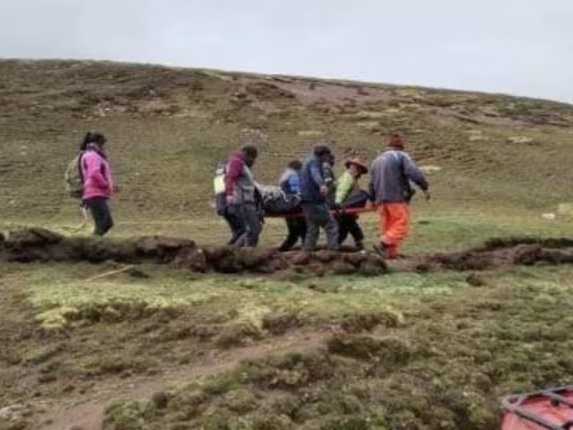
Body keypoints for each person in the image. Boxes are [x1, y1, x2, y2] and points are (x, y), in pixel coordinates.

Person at [369, 133, 430, 259]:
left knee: (388, 226)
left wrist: (373, 199)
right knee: (402, 223)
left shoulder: (376, 160)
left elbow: (372, 182)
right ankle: (382, 243)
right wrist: (424, 186)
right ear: (401, 147)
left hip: (381, 199)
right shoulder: (401, 155)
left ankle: (390, 253)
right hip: (396, 196)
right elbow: (413, 172)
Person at [300, 145, 339, 251]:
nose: (328, 159)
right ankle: (333, 252)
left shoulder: (307, 160)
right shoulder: (314, 162)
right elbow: (315, 174)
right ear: (324, 154)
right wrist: (321, 185)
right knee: (331, 225)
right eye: (327, 156)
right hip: (314, 200)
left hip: (305, 200)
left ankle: (306, 253)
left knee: (313, 228)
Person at [224, 144, 262, 247]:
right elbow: (229, 178)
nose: (253, 161)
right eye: (252, 158)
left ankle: (236, 252)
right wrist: (229, 194)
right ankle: (246, 253)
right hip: (243, 200)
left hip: (246, 200)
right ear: (246, 154)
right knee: (254, 229)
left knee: (251, 229)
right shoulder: (237, 162)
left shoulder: (238, 162)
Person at [80, 132, 116, 236]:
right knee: (105, 223)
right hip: (94, 193)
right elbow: (94, 173)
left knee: (104, 223)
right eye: (102, 144)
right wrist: (105, 184)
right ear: (98, 143)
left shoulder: (91, 154)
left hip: (95, 193)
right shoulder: (92, 155)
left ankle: (94, 244)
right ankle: (92, 245)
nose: (103, 147)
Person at [334, 157, 369, 251]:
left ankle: (359, 244)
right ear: (352, 167)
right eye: (357, 168)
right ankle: (333, 248)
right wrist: (338, 202)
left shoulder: (352, 178)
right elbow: (342, 190)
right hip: (344, 208)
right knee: (343, 230)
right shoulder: (348, 177)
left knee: (353, 227)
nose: (359, 172)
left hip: (349, 208)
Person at [214, 162, 246, 245]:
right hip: (231, 207)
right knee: (243, 230)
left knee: (236, 230)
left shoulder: (218, 179)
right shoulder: (228, 179)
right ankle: (234, 247)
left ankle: (231, 246)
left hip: (222, 208)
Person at [277, 159, 306, 251]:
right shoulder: (293, 175)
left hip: (286, 205)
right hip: (295, 205)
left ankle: (282, 250)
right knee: (304, 230)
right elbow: (296, 190)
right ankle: (306, 251)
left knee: (294, 233)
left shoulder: (285, 175)